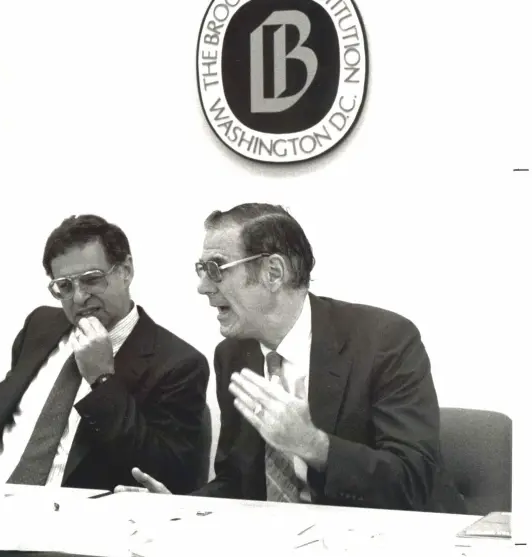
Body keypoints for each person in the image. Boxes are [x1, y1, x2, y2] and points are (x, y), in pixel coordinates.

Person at [118, 203, 465, 513]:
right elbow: (239, 483)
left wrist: (315, 446)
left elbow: (413, 481)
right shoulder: (233, 355)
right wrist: (177, 509)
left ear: (273, 273)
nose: (203, 287)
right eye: (201, 269)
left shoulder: (385, 341)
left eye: (216, 268)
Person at [0, 214, 210, 494]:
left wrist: (102, 381)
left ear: (125, 271)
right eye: (64, 286)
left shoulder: (178, 364)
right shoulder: (40, 325)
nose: (78, 297)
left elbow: (165, 475)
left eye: (91, 280)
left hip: (74, 522)